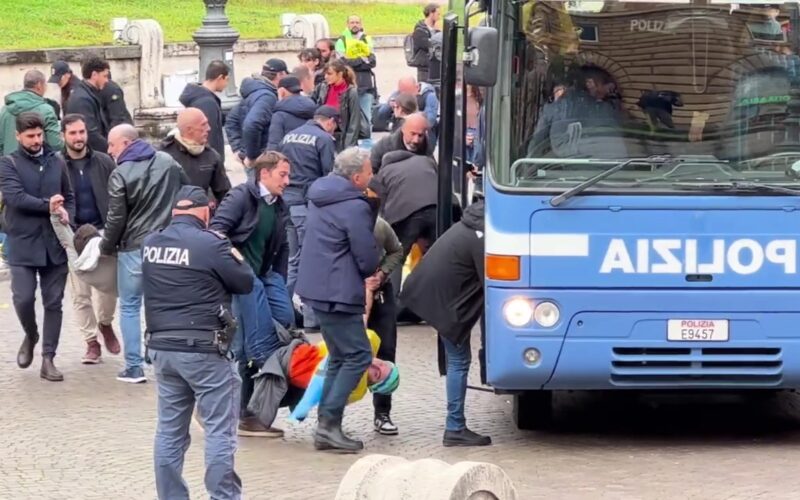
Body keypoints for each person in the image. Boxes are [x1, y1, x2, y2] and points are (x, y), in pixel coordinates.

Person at [143, 185, 254, 500]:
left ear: (175, 211)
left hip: (163, 350)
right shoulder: (212, 244)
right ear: (206, 211)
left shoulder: (151, 243)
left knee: (169, 431)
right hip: (204, 350)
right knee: (220, 431)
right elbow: (244, 280)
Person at [295, 147, 380, 453]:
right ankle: (328, 425)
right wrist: (376, 262)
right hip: (338, 290)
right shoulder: (354, 206)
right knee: (357, 355)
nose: (372, 176)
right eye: (369, 172)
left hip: (318, 287)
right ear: (357, 177)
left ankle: (326, 426)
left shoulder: (321, 195)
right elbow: (366, 255)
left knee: (341, 355)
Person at [209, 151, 293, 437]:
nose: (288, 181)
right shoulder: (240, 197)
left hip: (266, 275)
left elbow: (282, 246)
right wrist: (239, 265)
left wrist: (278, 279)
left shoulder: (279, 204)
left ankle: (250, 401)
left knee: (285, 317)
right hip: (243, 279)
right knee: (250, 345)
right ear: (264, 174)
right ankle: (245, 407)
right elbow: (217, 233)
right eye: (283, 174)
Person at [400, 195, 492, 447]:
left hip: (430, 294)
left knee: (457, 360)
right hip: (440, 302)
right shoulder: (481, 237)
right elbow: (492, 284)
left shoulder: (469, 227)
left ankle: (455, 425)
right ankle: (454, 427)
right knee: (460, 361)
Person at [102, 124, 189, 384]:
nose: (109, 150)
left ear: (126, 143)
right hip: (168, 244)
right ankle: (162, 358)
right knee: (163, 303)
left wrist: (106, 247)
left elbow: (116, 218)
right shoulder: (167, 161)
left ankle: (133, 366)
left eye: (112, 145)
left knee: (130, 305)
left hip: (134, 248)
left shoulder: (120, 174)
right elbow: (187, 194)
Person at [0, 112, 75, 382]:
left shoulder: (57, 161)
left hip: (54, 244)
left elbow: (69, 196)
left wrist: (69, 216)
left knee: (54, 302)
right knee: (22, 298)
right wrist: (49, 206)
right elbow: (15, 197)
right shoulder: (8, 163)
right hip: (22, 243)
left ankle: (48, 359)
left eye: (39, 135)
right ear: (18, 136)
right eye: (30, 136)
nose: (36, 140)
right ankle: (30, 334)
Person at [61, 113, 121, 364]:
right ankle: (91, 342)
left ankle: (105, 323)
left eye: (81, 132)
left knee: (108, 288)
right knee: (80, 293)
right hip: (73, 235)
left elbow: (119, 192)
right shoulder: (57, 164)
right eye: (73, 133)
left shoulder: (104, 161)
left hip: (103, 231)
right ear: (63, 135)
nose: (78, 138)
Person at [278, 105, 338, 330]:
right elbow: (329, 176)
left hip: (287, 203)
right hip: (307, 204)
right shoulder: (323, 139)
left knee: (293, 261)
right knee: (310, 260)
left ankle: (282, 314)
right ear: (330, 121)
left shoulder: (290, 135)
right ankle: (312, 319)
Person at [369, 146, 438, 305]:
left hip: (406, 216)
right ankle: (433, 303)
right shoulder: (426, 160)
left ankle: (392, 302)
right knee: (435, 257)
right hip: (437, 209)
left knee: (397, 255)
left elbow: (380, 204)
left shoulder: (384, 172)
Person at [364, 195, 404, 436]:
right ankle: (332, 416)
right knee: (343, 353)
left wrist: (382, 274)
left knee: (386, 350)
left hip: (380, 293)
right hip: (348, 292)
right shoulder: (337, 228)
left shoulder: (380, 227)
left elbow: (396, 251)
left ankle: (382, 412)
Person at [161, 108, 230, 207]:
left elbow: (224, 193)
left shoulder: (211, 156)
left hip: (200, 216)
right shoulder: (164, 156)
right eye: (203, 125)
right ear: (189, 129)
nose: (209, 128)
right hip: (171, 217)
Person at [241, 59, 288, 177]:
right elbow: (251, 124)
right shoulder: (267, 97)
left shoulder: (254, 90)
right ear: (280, 75)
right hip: (260, 158)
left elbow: (232, 119)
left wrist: (238, 149)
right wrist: (253, 156)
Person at [0, 70, 63, 155]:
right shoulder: (46, 110)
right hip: (38, 164)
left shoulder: (4, 110)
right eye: (45, 85)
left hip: (9, 165)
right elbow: (55, 144)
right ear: (39, 85)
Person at [335, 15, 378, 133]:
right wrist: (362, 59)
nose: (355, 25)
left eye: (357, 22)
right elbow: (342, 64)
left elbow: (372, 62)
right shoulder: (341, 41)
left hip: (365, 86)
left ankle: (367, 147)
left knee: (367, 119)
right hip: (347, 87)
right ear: (347, 24)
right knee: (348, 119)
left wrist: (352, 61)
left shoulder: (367, 39)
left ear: (361, 24)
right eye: (352, 22)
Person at [179, 60, 230, 158]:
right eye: (227, 79)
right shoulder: (208, 103)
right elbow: (209, 137)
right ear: (220, 78)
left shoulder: (200, 97)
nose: (227, 84)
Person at [311, 60, 362, 152]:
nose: (326, 77)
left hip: (340, 134)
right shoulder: (322, 87)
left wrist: (349, 146)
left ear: (340, 74)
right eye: (325, 74)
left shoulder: (350, 92)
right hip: (322, 130)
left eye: (329, 74)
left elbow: (354, 121)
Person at [64, 55, 111, 153]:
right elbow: (91, 133)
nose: (107, 80)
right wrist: (111, 148)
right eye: (105, 76)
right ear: (94, 75)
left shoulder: (87, 94)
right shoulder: (82, 99)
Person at [370, 113, 434, 173]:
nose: (416, 140)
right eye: (413, 134)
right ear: (403, 129)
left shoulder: (427, 148)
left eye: (420, 135)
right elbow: (371, 172)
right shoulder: (384, 146)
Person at [266, 76, 317, 150]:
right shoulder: (312, 107)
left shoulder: (279, 115)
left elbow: (274, 144)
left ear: (282, 91)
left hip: (287, 157)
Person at [409, 3, 441, 83]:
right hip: (424, 69)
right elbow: (430, 46)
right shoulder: (420, 30)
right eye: (438, 14)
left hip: (435, 67)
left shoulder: (435, 30)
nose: (439, 17)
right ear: (431, 13)